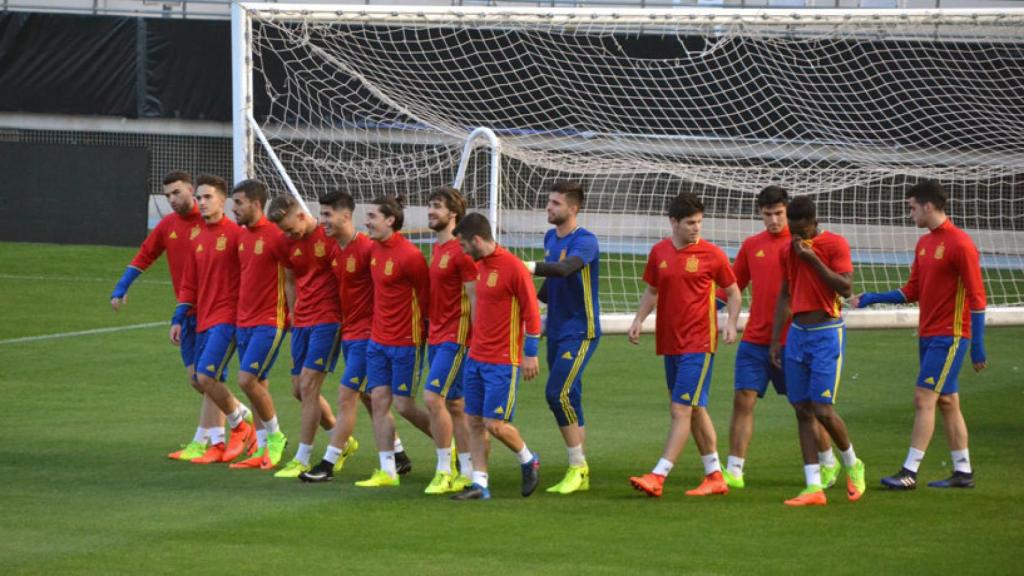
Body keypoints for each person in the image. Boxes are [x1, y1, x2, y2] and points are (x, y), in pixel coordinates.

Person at [851, 180, 986, 490]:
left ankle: (909, 471)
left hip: (950, 336)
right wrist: (873, 296)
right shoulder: (924, 244)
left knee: (923, 398)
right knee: (948, 401)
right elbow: (912, 290)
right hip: (928, 335)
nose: (910, 214)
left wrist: (977, 346)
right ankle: (963, 471)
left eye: (912, 207)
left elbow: (978, 298)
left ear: (928, 206)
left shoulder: (961, 244)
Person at [720, 186, 839, 490]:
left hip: (794, 340)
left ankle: (828, 461)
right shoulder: (751, 246)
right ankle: (734, 470)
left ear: (787, 211)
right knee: (743, 398)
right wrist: (706, 307)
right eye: (767, 214)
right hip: (755, 339)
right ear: (759, 213)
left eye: (778, 214)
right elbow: (733, 286)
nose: (773, 220)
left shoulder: (802, 246)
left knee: (805, 408)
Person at [627, 192, 741, 498]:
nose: (696, 228)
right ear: (674, 222)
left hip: (699, 342)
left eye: (700, 222)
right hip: (670, 343)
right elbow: (653, 290)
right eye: (691, 222)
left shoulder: (712, 255)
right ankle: (715, 475)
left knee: (680, 409)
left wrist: (730, 323)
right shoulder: (659, 252)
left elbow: (733, 292)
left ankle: (659, 475)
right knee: (694, 408)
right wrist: (639, 319)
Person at [110, 170, 224, 461]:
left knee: (208, 377)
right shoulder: (168, 226)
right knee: (198, 380)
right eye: (167, 195)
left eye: (177, 193)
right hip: (186, 312)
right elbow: (145, 255)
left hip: (214, 312)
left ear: (191, 190)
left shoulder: (212, 224)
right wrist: (122, 286)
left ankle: (216, 438)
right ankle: (231, 423)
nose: (172, 199)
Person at [299, 191, 410, 483]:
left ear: (345, 216)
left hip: (369, 336)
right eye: (321, 214)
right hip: (350, 333)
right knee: (368, 396)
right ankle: (398, 454)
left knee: (346, 394)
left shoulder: (367, 249)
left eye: (327, 215)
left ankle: (328, 463)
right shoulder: (337, 249)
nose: (322, 221)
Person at [769, 196, 866, 507]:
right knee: (802, 410)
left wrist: (812, 258)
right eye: (794, 232)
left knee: (823, 410)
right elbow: (785, 293)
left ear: (814, 222)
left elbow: (846, 287)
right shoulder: (789, 249)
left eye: (803, 231)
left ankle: (852, 463)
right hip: (797, 335)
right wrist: (775, 340)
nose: (799, 237)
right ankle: (813, 486)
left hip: (826, 334)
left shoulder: (834, 245)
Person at [450, 212, 542, 501]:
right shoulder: (479, 266)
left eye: (465, 244)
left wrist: (530, 354)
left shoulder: (514, 267)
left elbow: (532, 312)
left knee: (495, 424)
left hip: (503, 359)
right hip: (476, 357)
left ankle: (528, 459)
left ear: (477, 240)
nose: (463, 250)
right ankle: (480, 483)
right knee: (474, 421)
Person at [522, 180, 600, 495]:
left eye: (555, 203)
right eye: (549, 202)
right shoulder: (550, 237)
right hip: (555, 329)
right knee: (571, 396)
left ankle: (578, 467)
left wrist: (526, 266)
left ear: (573, 208)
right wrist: (532, 312)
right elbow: (551, 285)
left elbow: (565, 269)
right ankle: (580, 469)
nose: (549, 207)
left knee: (557, 394)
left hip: (580, 332)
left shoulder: (587, 241)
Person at [171, 174, 254, 464]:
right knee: (202, 379)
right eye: (200, 198)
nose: (202, 203)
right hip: (203, 317)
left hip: (228, 317)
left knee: (206, 376)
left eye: (208, 197)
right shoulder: (197, 236)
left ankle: (239, 424)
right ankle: (218, 440)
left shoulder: (236, 235)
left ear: (223, 201)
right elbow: (189, 283)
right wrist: (179, 317)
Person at [354, 195, 434, 488]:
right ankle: (387, 470)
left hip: (406, 342)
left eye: (372, 216)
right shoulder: (373, 249)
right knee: (377, 401)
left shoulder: (411, 256)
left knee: (404, 406)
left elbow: (425, 300)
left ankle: (450, 448)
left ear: (390, 220)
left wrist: (423, 336)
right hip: (377, 340)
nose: (367, 222)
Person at [266, 194, 342, 478]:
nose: (288, 234)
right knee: (298, 389)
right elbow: (289, 279)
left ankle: (303, 457)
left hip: (329, 320)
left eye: (289, 227)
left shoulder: (329, 236)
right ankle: (340, 438)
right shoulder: (287, 243)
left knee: (309, 386)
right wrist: (293, 313)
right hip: (303, 320)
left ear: (301, 215)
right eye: (283, 231)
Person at [225, 179, 290, 469]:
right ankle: (261, 449)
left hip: (270, 320)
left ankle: (276, 438)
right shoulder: (241, 237)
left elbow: (293, 277)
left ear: (255, 203)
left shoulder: (277, 235)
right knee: (258, 383)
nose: (233, 208)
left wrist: (294, 315)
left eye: (238, 202)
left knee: (246, 380)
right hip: (244, 321)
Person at [421, 186, 476, 494]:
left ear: (452, 214)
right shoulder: (438, 249)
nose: (431, 211)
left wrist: (478, 337)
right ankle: (467, 470)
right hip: (437, 335)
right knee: (456, 404)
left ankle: (444, 469)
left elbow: (474, 297)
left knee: (432, 398)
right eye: (430, 205)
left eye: (437, 206)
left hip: (456, 337)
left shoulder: (460, 252)